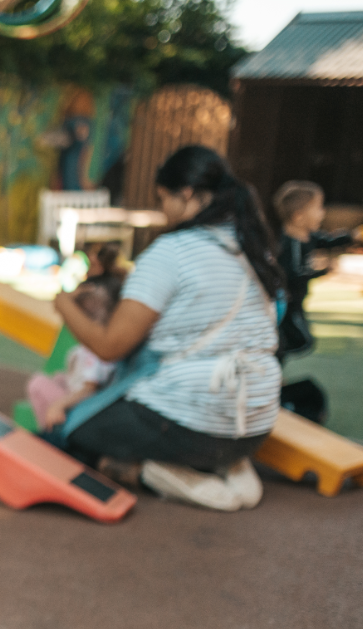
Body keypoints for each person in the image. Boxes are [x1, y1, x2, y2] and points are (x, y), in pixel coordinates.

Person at [50, 145, 284, 511]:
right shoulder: (251, 247)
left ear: (186, 193)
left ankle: (159, 472)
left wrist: (63, 303)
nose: (163, 211)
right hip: (256, 424)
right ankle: (230, 465)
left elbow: (110, 346)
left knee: (72, 435)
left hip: (194, 424)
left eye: (163, 199)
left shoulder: (172, 251)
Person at [272, 180, 360, 359]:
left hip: (298, 301)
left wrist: (352, 236)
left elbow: (328, 241)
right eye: (318, 208)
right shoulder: (290, 243)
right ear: (299, 216)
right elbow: (292, 274)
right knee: (298, 340)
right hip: (286, 304)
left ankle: (276, 370)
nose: (323, 213)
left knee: (298, 339)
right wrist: (321, 270)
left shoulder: (308, 237)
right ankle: (272, 366)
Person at [28, 281, 119, 430]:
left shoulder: (95, 349)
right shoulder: (97, 343)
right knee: (56, 378)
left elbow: (90, 389)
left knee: (37, 383)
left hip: (80, 405)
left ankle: (49, 432)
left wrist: (59, 404)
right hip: (80, 397)